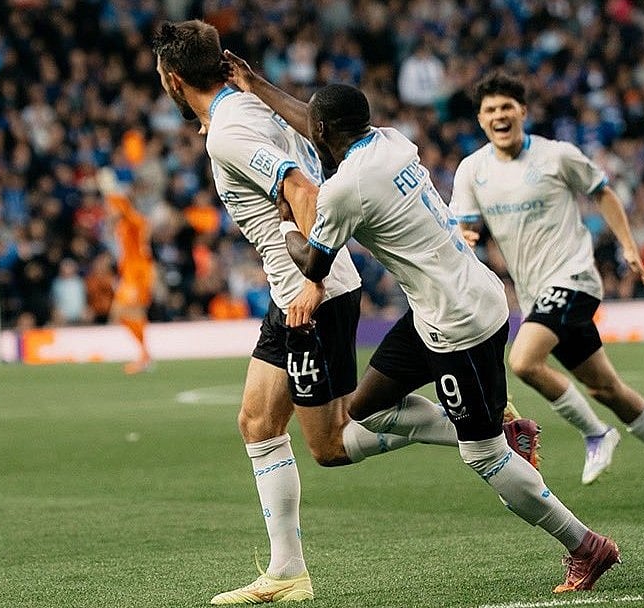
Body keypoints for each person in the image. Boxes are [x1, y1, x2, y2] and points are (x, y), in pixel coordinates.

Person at [152, 21, 539, 604]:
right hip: (293, 292)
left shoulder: (228, 133)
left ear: (173, 80)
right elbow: (311, 136)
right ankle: (287, 572)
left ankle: (486, 429)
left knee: (330, 445)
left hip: (308, 295)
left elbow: (303, 190)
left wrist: (313, 281)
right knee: (257, 423)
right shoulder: (247, 107)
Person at [224, 51, 619, 595]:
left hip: (458, 325)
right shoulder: (392, 141)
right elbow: (317, 120)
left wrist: (284, 223)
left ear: (322, 131)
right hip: (449, 301)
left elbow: (313, 264)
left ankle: (585, 545)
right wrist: (257, 85)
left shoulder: (345, 190)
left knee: (484, 456)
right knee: (365, 407)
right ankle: (504, 430)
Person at [450, 71, 644, 505]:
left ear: (523, 111)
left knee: (524, 360)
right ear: (480, 119)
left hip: (574, 278)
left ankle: (596, 433)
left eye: (507, 106)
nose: (499, 115)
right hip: (536, 294)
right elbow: (464, 226)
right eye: (490, 109)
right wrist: (465, 237)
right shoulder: (472, 170)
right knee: (607, 389)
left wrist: (628, 247)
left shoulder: (556, 156)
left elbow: (603, 192)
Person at [97, 168, 156, 374]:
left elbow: (123, 209)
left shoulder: (133, 220)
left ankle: (145, 356)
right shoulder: (125, 223)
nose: (109, 211)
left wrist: (109, 189)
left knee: (122, 311)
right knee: (126, 313)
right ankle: (145, 355)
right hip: (132, 272)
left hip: (138, 273)